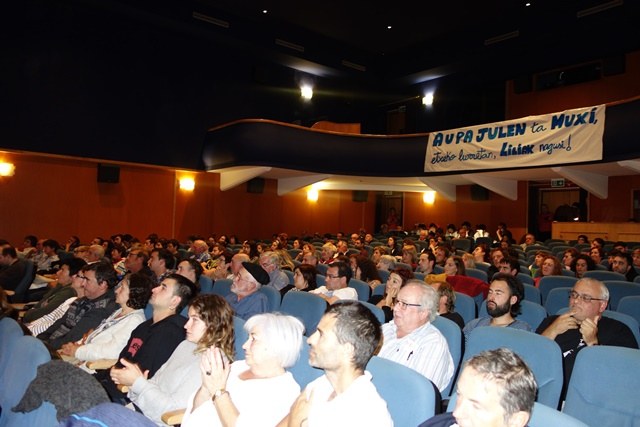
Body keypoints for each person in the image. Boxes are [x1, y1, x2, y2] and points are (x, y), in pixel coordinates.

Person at [117, 294, 235, 425]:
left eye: (195, 320)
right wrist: (135, 384)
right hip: (137, 411)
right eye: (189, 318)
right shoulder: (186, 345)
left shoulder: (213, 364)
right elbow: (154, 383)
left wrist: (138, 382)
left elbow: (171, 410)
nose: (186, 325)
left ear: (214, 325)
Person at [282, 301, 393, 427]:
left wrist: (295, 422)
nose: (310, 340)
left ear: (347, 349)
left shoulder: (368, 415)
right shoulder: (322, 383)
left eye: (321, 334)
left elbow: (294, 418)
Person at [182, 313, 304, 427]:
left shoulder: (284, 391)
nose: (244, 346)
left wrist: (219, 391)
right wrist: (206, 386)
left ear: (276, 347)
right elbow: (195, 409)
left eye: (253, 339)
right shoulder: (238, 366)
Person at [97, 274, 196, 403]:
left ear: (174, 301)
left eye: (163, 288)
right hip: (109, 384)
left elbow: (148, 375)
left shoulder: (171, 332)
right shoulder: (144, 326)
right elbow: (123, 360)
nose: (154, 289)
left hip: (124, 396)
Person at [536, 278, 638, 397]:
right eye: (574, 295)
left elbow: (619, 379)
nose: (576, 301)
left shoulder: (619, 331)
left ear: (602, 305)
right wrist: (552, 331)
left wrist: (592, 343)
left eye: (586, 298)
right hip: (539, 388)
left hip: (584, 396)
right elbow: (530, 358)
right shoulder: (552, 321)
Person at [419, 348, 536, 427]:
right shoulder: (440, 423)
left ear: (515, 421)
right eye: (459, 395)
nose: (457, 413)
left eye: (476, 406)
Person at [59, 273, 153, 371]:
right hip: (83, 356)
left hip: (92, 368)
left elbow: (112, 352)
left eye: (122, 288)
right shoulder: (119, 311)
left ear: (133, 294)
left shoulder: (134, 321)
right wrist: (75, 346)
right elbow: (98, 336)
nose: (116, 290)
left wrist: (77, 351)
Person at [378, 280, 454, 392]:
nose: (395, 308)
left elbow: (418, 394)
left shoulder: (433, 344)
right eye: (397, 302)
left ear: (423, 313)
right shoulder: (387, 328)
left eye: (404, 304)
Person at [38, 261, 118, 350]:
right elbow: (57, 324)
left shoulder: (102, 309)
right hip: (49, 345)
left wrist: (43, 346)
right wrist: (39, 340)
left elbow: (71, 339)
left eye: (87, 280)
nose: (83, 284)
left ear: (102, 284)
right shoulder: (84, 300)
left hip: (59, 351)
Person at [463, 274, 531, 342]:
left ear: (513, 300)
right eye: (490, 292)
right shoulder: (474, 325)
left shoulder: (522, 331)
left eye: (498, 293)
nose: (491, 298)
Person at [22, 258, 87, 323]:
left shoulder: (69, 292)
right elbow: (41, 303)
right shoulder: (60, 286)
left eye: (62, 270)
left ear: (74, 275)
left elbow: (44, 312)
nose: (58, 273)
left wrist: (27, 314)